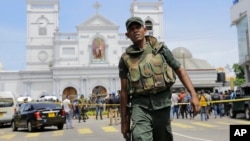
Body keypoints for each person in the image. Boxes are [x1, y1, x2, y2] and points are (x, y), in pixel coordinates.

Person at [118, 16, 200, 141]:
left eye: (138, 27)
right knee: (140, 137)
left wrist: (193, 95)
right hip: (140, 106)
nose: (135, 31)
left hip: (162, 105)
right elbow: (124, 91)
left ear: (145, 30)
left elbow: (180, 70)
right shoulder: (125, 59)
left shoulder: (160, 50)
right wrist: (124, 121)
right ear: (127, 34)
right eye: (131, 29)